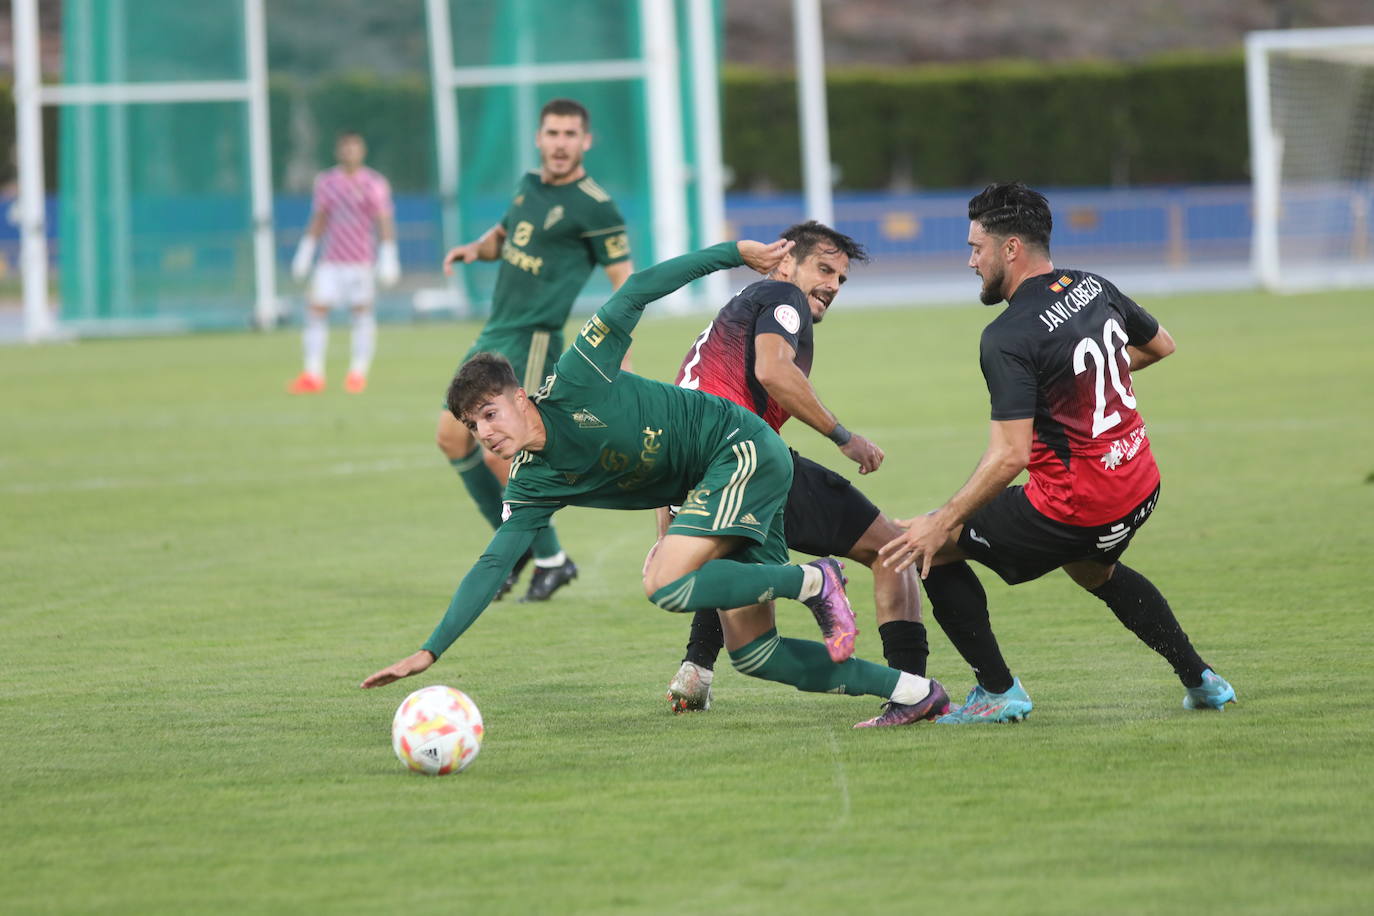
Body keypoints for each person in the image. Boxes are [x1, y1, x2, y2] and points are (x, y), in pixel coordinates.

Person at [361, 238, 950, 729]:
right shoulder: (533, 481)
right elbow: (493, 564)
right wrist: (430, 650)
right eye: (472, 425)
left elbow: (638, 287)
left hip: (739, 447)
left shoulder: (578, 377)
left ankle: (814, 578)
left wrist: (731, 253)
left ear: (520, 396)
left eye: (490, 414)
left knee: (664, 581)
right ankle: (914, 692)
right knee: (757, 654)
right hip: (720, 485)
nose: (484, 432)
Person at [878, 181, 1236, 722]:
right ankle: (1202, 680)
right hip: (1138, 483)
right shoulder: (1094, 286)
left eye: (977, 247)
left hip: (1079, 501)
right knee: (1094, 571)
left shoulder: (1008, 335)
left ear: (1011, 248)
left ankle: (997, 692)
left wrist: (942, 519)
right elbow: (1161, 345)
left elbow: (1010, 455)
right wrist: (1080, 380)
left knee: (936, 544)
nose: (971, 260)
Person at [656, 221, 929, 714]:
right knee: (891, 549)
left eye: (842, 279)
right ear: (786, 263)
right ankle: (913, 689)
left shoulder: (729, 318)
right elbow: (773, 370)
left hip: (695, 474)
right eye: (824, 269)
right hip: (744, 462)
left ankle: (696, 670)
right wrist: (845, 438)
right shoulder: (784, 297)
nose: (832, 285)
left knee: (752, 636)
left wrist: (666, 529)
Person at [438, 98, 633, 603]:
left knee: (504, 453)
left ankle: (545, 556)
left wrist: (619, 348)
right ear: (539, 138)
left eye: (571, 134)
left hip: (533, 340)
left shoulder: (596, 206)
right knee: (452, 440)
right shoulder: (528, 186)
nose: (561, 143)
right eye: (553, 133)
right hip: (496, 330)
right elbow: (506, 235)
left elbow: (625, 282)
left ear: (585, 141)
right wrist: (474, 250)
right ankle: (520, 548)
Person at [288, 130, 399, 394]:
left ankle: (357, 374)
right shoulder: (327, 182)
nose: (350, 151)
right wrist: (306, 250)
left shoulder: (374, 183)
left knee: (361, 314)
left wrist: (388, 254)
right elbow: (320, 217)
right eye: (345, 147)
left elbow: (383, 219)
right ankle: (313, 374)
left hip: (361, 262)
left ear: (362, 151)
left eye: (354, 146)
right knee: (315, 311)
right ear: (338, 151)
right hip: (331, 262)